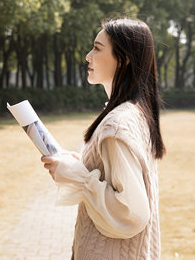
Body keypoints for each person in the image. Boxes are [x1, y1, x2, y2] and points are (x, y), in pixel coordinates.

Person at [41, 16, 166, 260]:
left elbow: (131, 212)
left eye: (97, 49)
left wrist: (79, 177)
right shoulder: (133, 112)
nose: (88, 56)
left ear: (124, 59)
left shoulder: (117, 124)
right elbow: (115, 176)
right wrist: (78, 164)